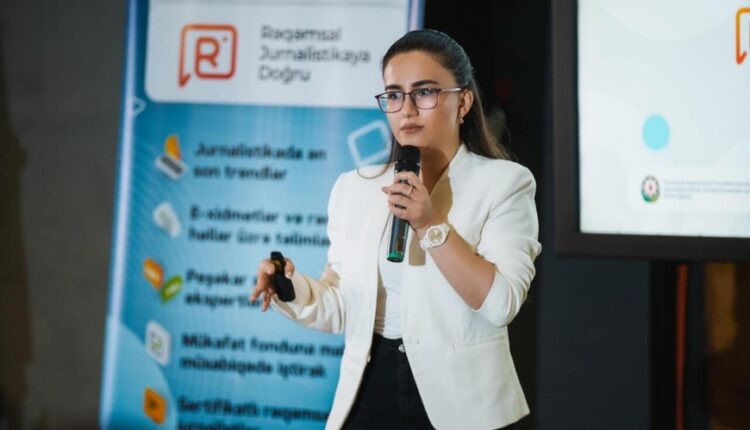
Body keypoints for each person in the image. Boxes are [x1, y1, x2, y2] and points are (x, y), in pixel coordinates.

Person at [250, 29, 541, 430]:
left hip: (460, 404)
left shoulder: (505, 184)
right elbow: (341, 305)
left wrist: (430, 224)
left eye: (424, 92)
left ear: (463, 102)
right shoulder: (354, 187)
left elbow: (500, 304)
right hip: (369, 391)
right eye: (393, 95)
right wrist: (289, 286)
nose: (406, 109)